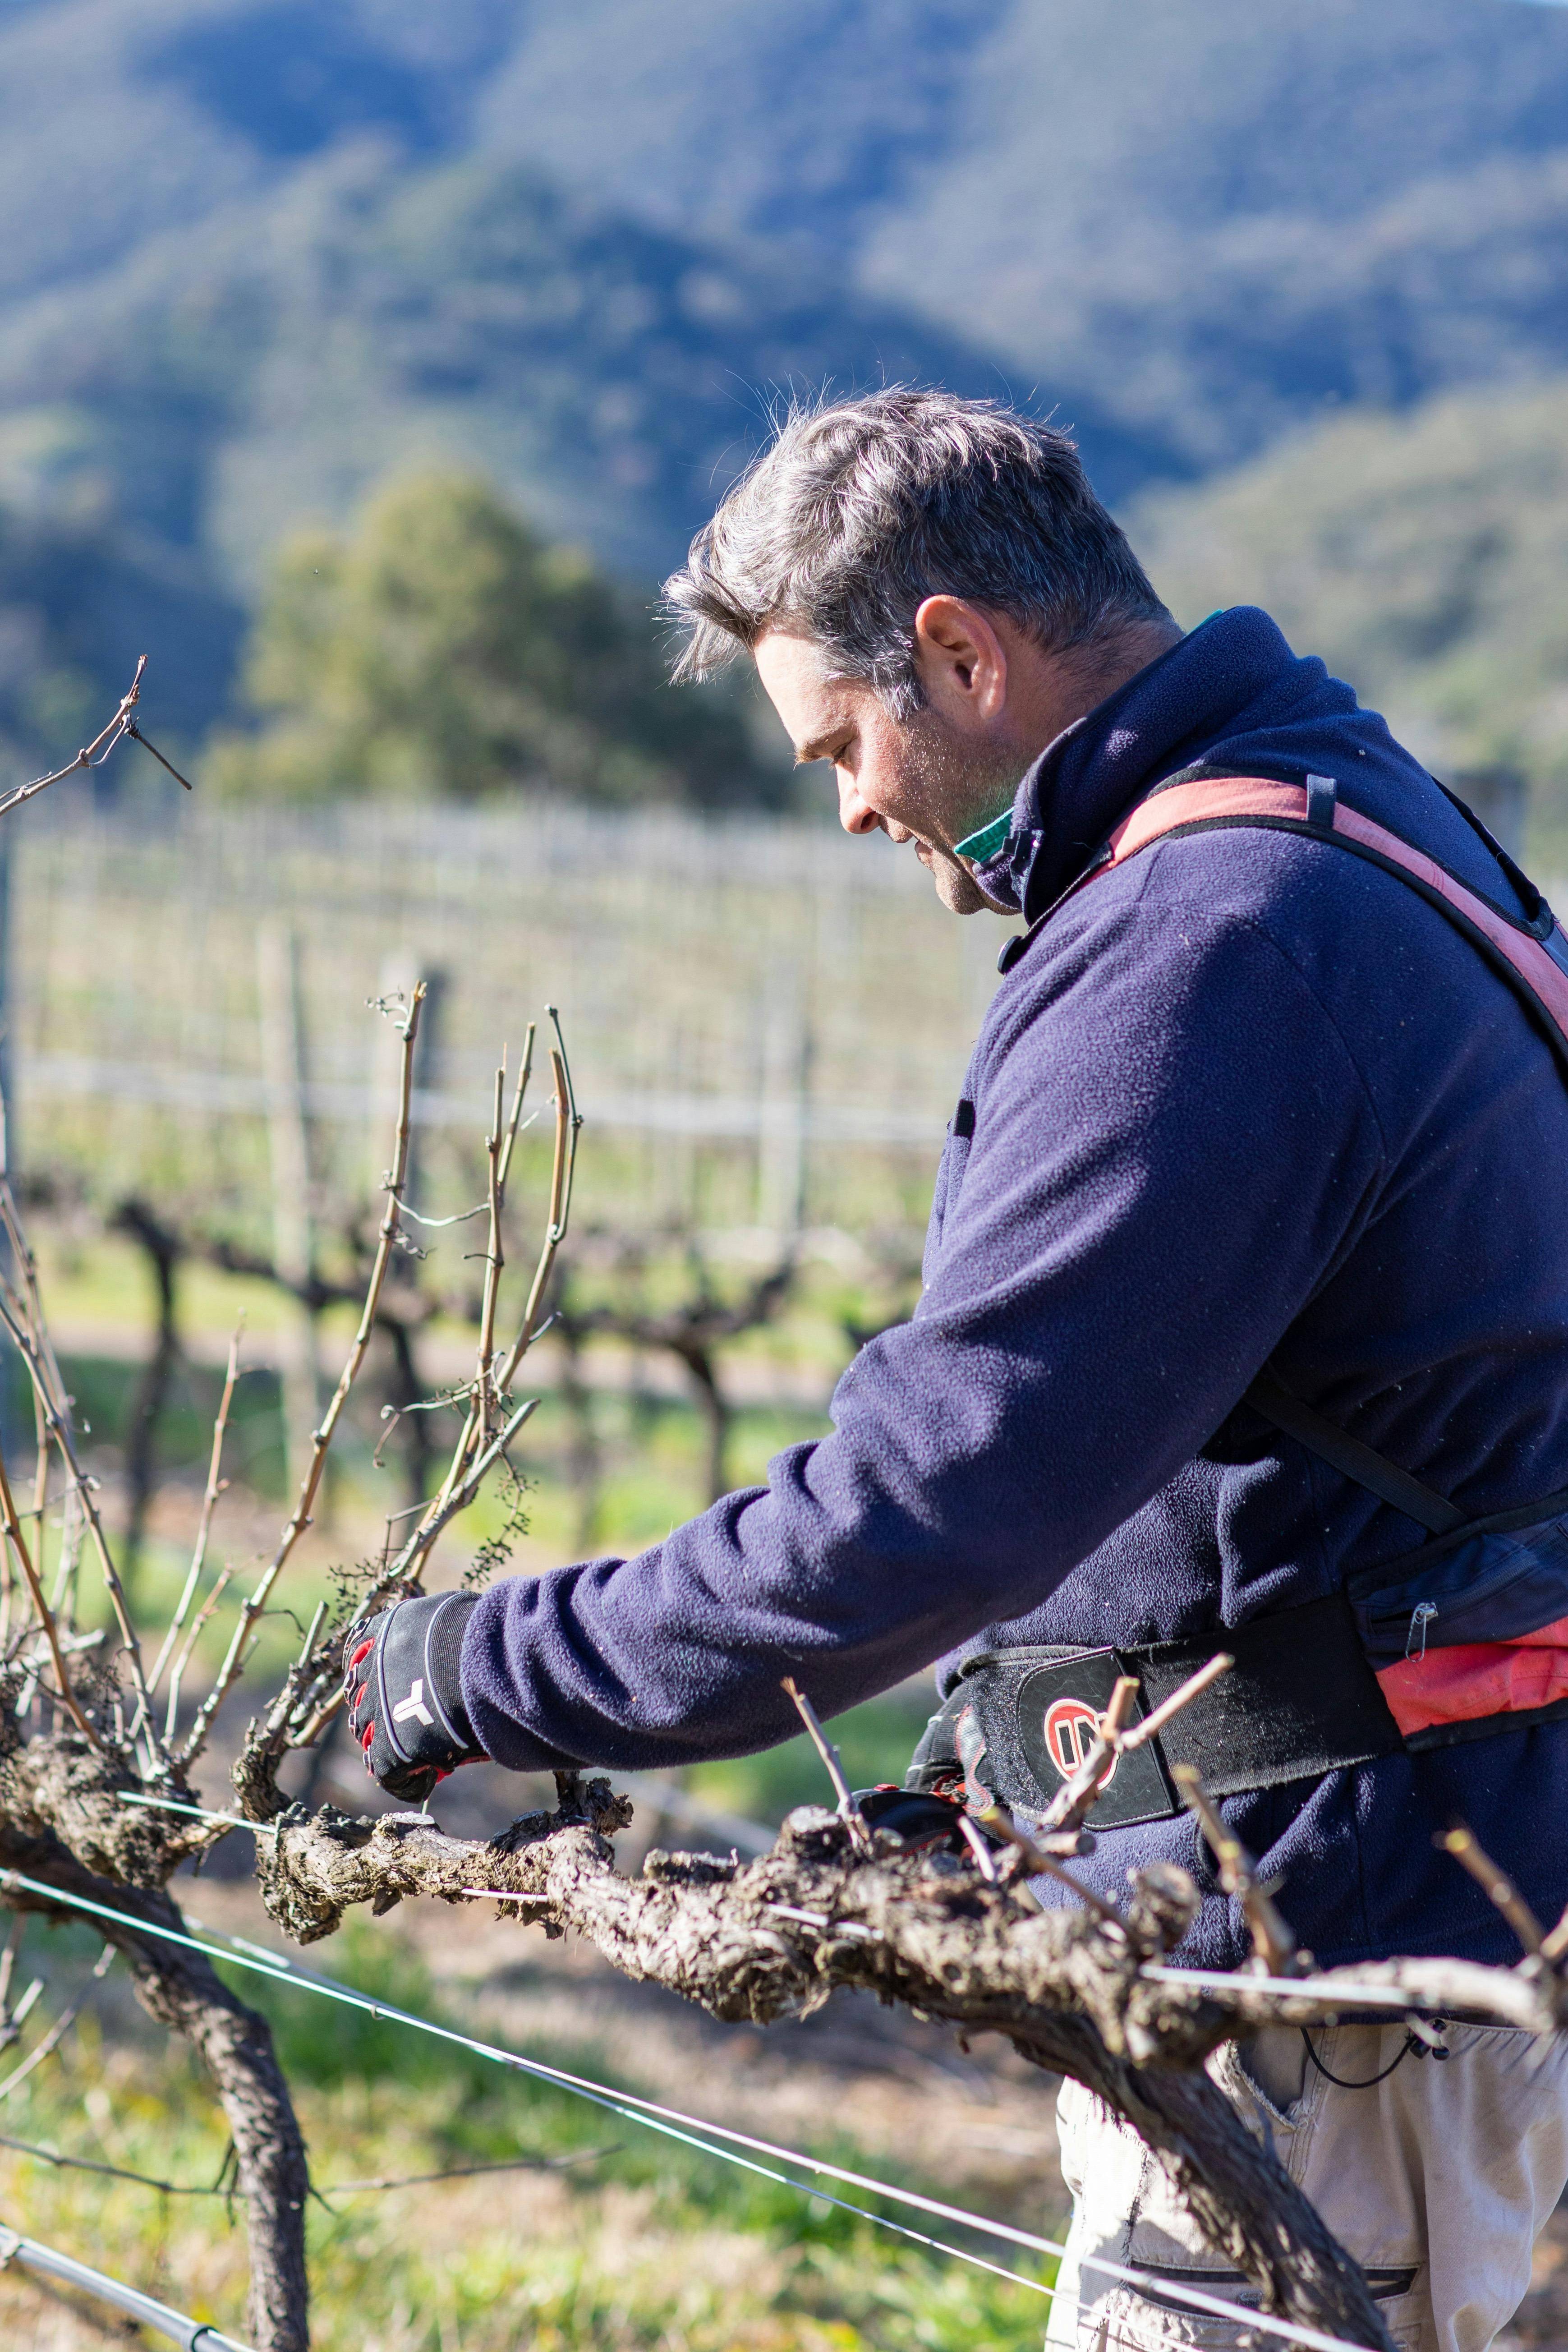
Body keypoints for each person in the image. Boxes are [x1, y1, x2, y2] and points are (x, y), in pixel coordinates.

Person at [343, 390, 1568, 2350]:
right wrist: (993, 1758)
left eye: (838, 742)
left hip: (1340, 1999)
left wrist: (472, 1664)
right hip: (1448, 1909)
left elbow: (922, 1508)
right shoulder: (1355, 810)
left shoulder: (1209, 943)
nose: (846, 805)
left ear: (957, 652)